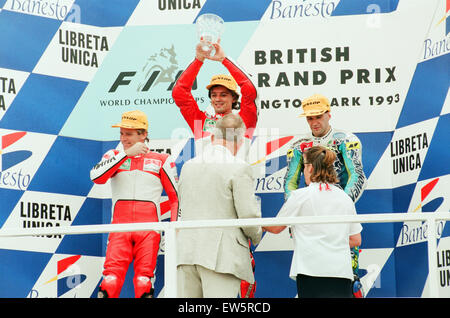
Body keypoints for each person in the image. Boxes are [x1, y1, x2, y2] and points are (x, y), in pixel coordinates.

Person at [283, 94, 367, 294]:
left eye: (318, 116)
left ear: (329, 114)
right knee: (311, 275)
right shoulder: (299, 145)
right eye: (309, 118)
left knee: (349, 276)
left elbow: (357, 175)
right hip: (310, 215)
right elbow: (290, 182)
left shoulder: (346, 140)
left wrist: (341, 205)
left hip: (339, 214)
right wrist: (293, 213)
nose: (314, 122)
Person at [90, 110, 179, 298]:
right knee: (110, 282)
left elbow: (175, 198)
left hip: (149, 231)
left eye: (128, 134)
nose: (123, 138)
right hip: (119, 229)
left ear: (143, 134)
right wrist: (126, 155)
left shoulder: (162, 160)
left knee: (143, 283)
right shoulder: (113, 155)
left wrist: (174, 230)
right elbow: (96, 177)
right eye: (121, 133)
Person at [176, 113, 262, 298]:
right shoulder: (239, 167)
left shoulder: (188, 166)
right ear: (240, 142)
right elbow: (248, 215)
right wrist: (256, 235)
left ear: (213, 137)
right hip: (222, 257)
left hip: (186, 252)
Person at [264, 146, 362, 298]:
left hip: (310, 271)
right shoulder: (344, 198)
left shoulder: (299, 196)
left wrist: (249, 221)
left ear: (310, 168)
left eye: (304, 166)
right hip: (341, 273)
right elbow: (356, 239)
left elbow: (275, 228)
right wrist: (331, 240)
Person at [172, 40, 258, 160]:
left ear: (233, 98)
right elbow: (179, 92)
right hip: (207, 177)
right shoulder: (200, 122)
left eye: (223, 95)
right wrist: (198, 60)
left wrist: (224, 60)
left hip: (236, 176)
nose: (217, 99)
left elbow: (250, 89)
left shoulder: (244, 120)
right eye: (214, 95)